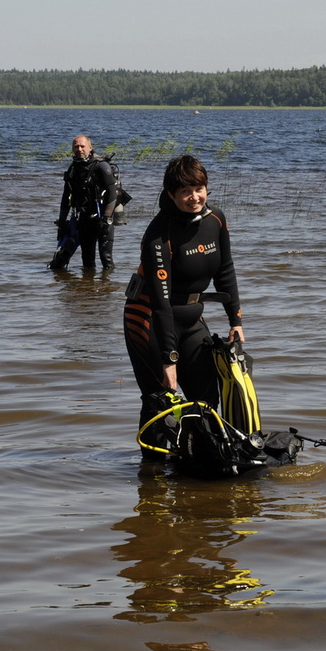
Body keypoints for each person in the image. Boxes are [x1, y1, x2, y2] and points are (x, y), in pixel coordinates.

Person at [123, 155, 244, 455]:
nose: (195, 198)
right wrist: (169, 360)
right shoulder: (158, 235)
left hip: (192, 319)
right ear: (171, 195)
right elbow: (161, 302)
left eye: (199, 189)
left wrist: (236, 321)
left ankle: (197, 463)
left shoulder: (216, 219)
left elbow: (225, 271)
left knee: (206, 398)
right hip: (149, 321)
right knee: (161, 400)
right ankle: (151, 477)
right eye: (185, 193)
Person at [55, 135, 118, 270]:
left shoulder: (101, 166)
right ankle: (87, 290)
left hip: (103, 218)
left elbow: (113, 193)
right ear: (72, 149)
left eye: (82, 146)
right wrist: (61, 222)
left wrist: (106, 218)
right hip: (84, 219)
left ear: (90, 147)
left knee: (106, 259)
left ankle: (107, 289)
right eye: (76, 146)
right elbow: (66, 197)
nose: (79, 149)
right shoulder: (73, 169)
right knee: (87, 261)